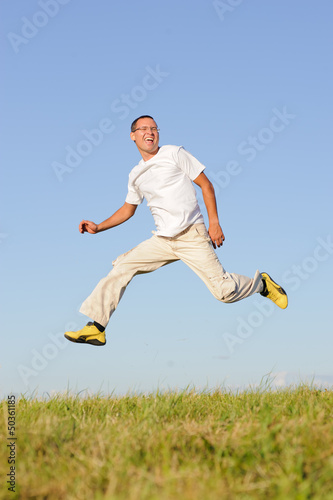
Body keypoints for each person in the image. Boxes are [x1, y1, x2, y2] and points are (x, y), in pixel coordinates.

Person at [64, 115, 288, 346]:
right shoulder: (135, 174)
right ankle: (97, 328)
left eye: (154, 128)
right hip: (162, 239)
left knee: (224, 292)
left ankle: (262, 283)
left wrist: (214, 223)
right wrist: (99, 227)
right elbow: (128, 209)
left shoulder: (174, 153)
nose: (149, 132)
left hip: (192, 234)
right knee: (121, 267)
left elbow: (206, 185)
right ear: (133, 136)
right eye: (143, 129)